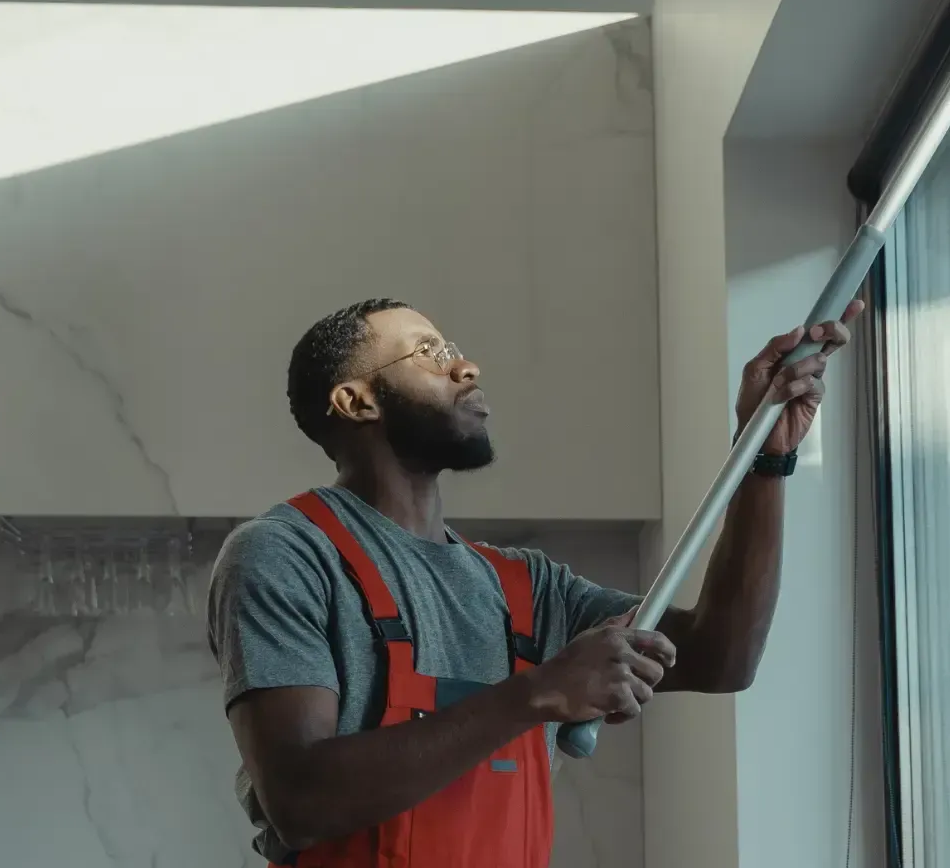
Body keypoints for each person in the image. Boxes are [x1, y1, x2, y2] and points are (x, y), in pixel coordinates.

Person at [207, 296, 864, 866]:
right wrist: (540, 692)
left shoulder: (526, 588)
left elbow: (725, 656)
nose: (465, 367)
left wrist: (765, 454)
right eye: (429, 353)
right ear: (355, 400)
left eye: (454, 350)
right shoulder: (288, 554)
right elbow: (301, 801)